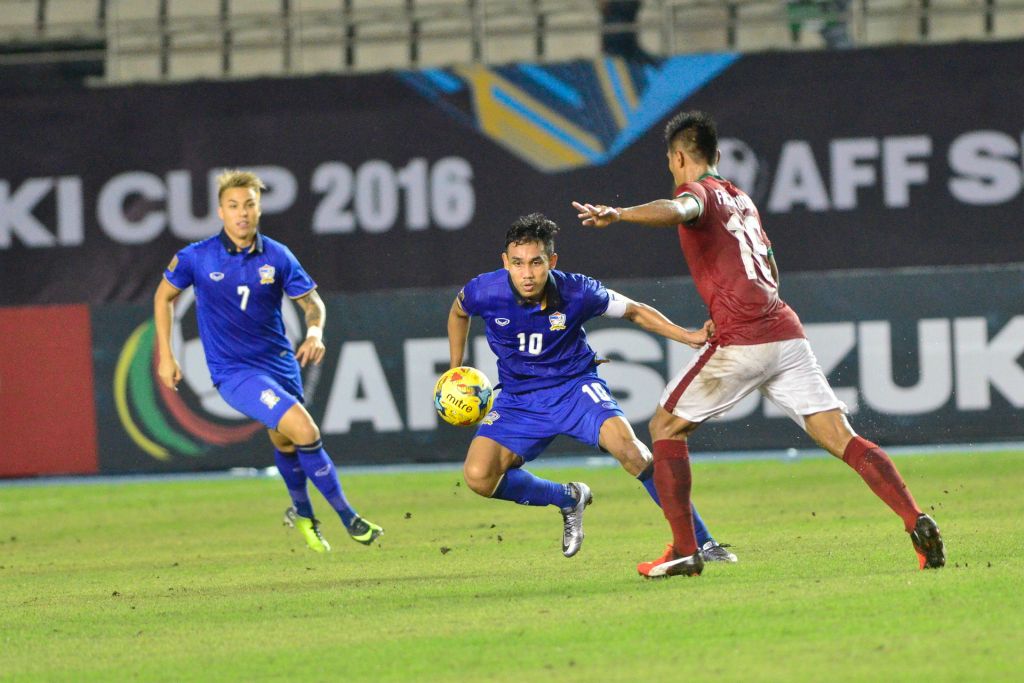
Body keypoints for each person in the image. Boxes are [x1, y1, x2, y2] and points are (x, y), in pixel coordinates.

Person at [574, 111, 946, 578]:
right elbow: (768, 263)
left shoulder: (698, 194)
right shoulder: (740, 198)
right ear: (719, 156)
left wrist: (621, 214)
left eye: (671, 162)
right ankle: (916, 519)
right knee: (841, 438)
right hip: (785, 332)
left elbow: (680, 211)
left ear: (679, 157)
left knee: (665, 426)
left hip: (743, 336)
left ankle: (687, 549)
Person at [448, 212, 737, 562]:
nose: (527, 273)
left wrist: (687, 335)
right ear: (505, 262)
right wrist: (456, 367)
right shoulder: (485, 290)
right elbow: (459, 310)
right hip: (518, 399)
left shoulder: (578, 291)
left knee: (633, 452)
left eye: (536, 263)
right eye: (518, 263)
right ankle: (567, 497)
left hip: (575, 388)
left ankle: (703, 543)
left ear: (551, 261)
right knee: (479, 476)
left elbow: (634, 310)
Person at [153, 169, 383, 554]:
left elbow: (312, 303)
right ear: (220, 212)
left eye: (249, 205)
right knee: (305, 431)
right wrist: (167, 355)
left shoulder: (276, 256)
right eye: (233, 206)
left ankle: (304, 515)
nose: (241, 213)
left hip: (280, 364)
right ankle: (350, 518)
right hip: (235, 373)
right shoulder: (196, 257)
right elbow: (163, 297)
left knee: (285, 438)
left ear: (258, 210)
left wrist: (314, 332)